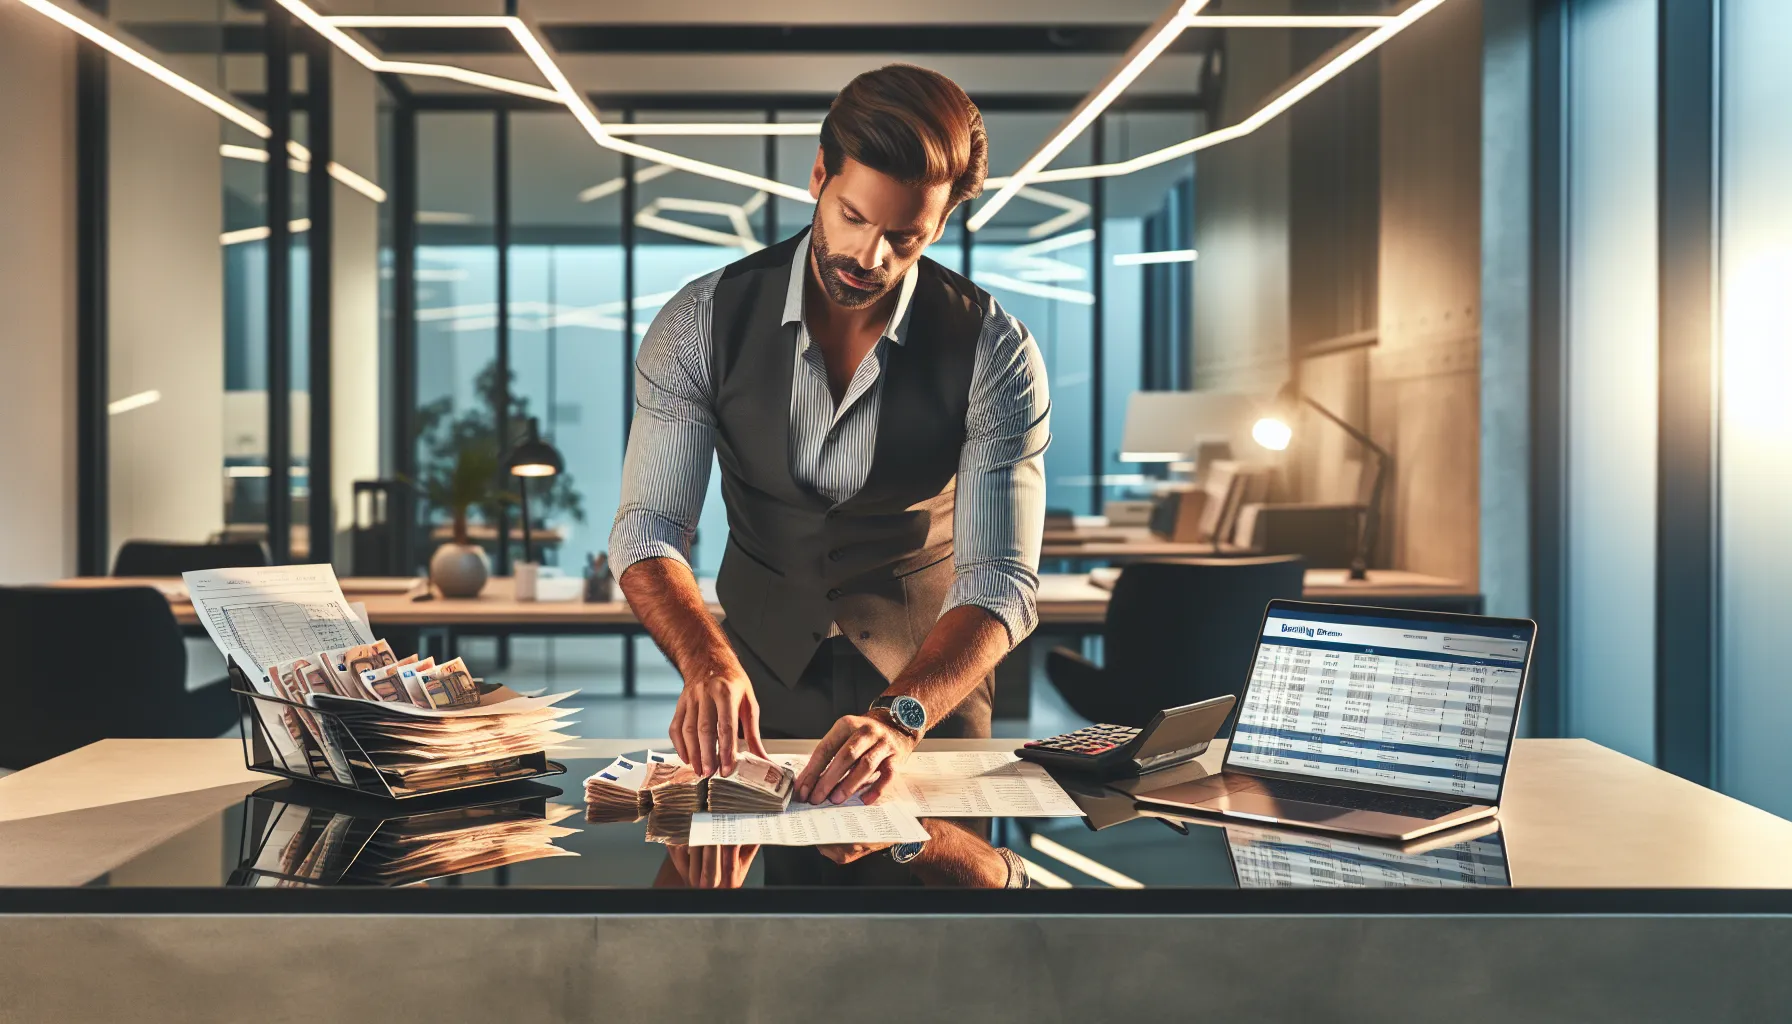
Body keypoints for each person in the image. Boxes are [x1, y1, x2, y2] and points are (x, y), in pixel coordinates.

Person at [610, 63, 1050, 807]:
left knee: (942, 922)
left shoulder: (995, 350)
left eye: (903, 237)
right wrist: (705, 662)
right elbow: (648, 529)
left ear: (940, 224)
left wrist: (902, 718)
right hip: (752, 693)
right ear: (819, 176)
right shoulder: (699, 324)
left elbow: (1000, 579)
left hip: (927, 699)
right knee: (763, 921)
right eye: (852, 216)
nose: (869, 257)